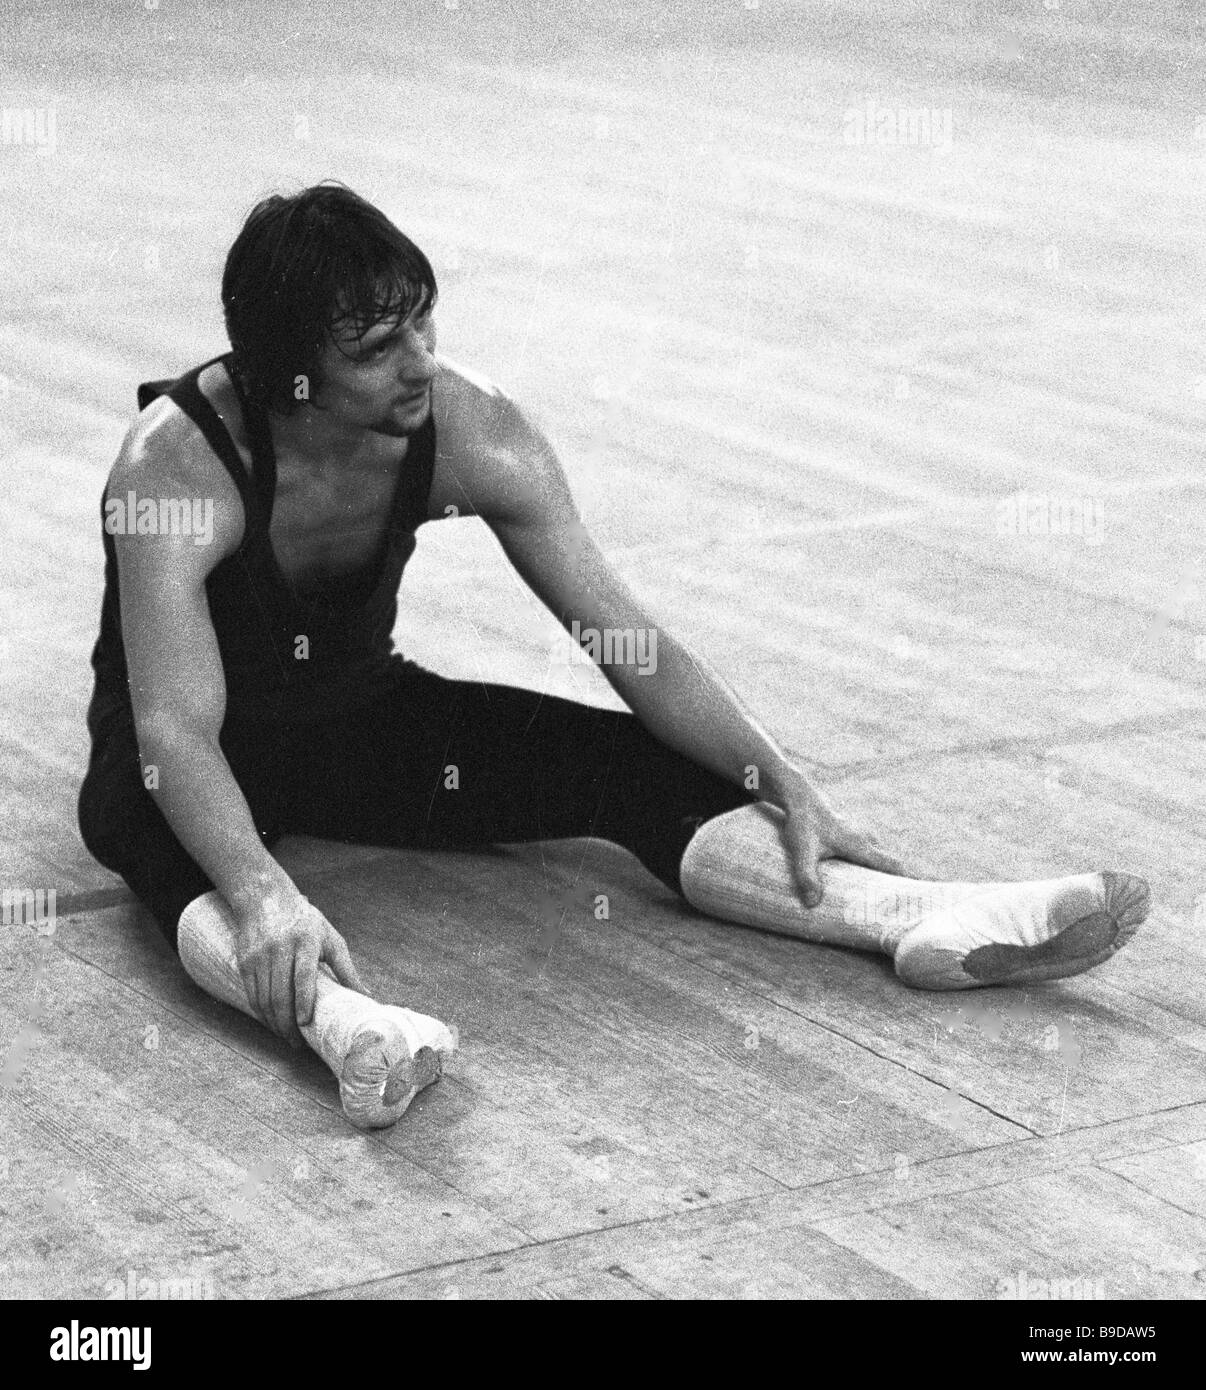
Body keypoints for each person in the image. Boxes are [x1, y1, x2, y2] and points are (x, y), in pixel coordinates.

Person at [78, 182, 1150, 1068]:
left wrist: (775, 777)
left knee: (622, 760)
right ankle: (348, 1032)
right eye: (374, 348)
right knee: (151, 825)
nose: (418, 363)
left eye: (422, 321)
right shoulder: (173, 466)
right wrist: (264, 890)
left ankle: (912, 913)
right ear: (285, 374)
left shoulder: (470, 430)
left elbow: (627, 641)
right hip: (186, 752)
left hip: (358, 722)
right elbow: (176, 727)